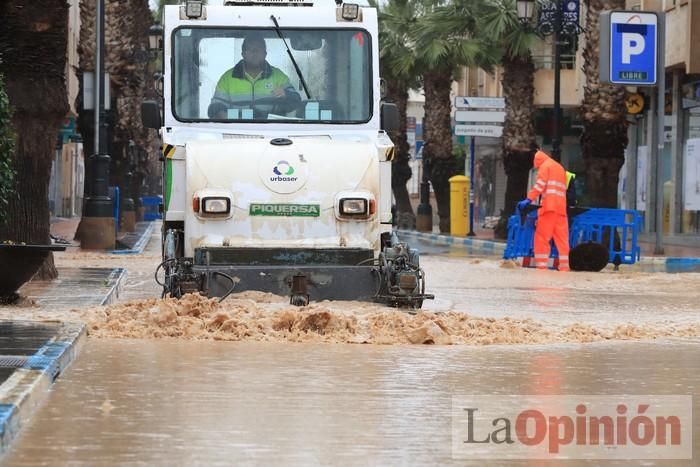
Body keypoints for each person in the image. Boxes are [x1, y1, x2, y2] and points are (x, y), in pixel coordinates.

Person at [208, 34, 301, 119]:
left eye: (258, 49)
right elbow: (215, 108)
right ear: (243, 54)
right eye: (250, 49)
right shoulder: (227, 78)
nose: (254, 53)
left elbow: (296, 101)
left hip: (272, 130)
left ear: (265, 54)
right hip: (237, 130)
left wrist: (286, 95)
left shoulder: (278, 76)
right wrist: (223, 116)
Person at [517, 148, 570, 271]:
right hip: (561, 209)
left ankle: (541, 267)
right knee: (562, 239)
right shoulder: (560, 168)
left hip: (548, 208)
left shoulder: (545, 167)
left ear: (537, 161)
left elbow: (540, 185)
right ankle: (564, 267)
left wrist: (529, 199)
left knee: (542, 237)